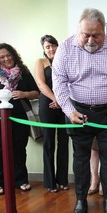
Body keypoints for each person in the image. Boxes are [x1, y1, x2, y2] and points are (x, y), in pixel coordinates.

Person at [52, 8, 107, 213]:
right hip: (77, 111)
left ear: (104, 31)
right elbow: (59, 83)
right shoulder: (65, 48)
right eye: (85, 35)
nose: (90, 40)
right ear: (78, 30)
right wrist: (69, 111)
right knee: (80, 158)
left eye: (95, 35)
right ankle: (80, 200)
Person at [0, 43, 39, 195]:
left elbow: (36, 92)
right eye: (2, 57)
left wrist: (24, 94)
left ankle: (21, 180)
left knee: (19, 150)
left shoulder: (23, 72)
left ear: (14, 54)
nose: (6, 58)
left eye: (8, 55)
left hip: (20, 119)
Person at [34, 35, 69, 193]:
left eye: (53, 45)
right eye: (47, 47)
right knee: (49, 143)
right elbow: (41, 84)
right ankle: (50, 182)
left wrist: (62, 101)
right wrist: (56, 99)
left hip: (65, 105)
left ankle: (63, 180)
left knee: (63, 141)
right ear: (43, 49)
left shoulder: (65, 60)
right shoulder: (40, 62)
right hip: (47, 104)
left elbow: (71, 82)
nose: (51, 49)